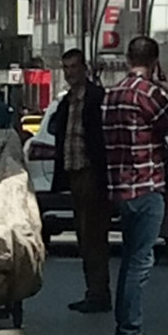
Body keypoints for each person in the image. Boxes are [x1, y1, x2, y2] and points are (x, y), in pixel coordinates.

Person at [102, 37, 168, 335]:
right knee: (141, 259)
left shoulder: (112, 95)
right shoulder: (150, 93)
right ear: (155, 63)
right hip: (147, 184)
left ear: (127, 57)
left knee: (129, 257)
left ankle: (123, 325)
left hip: (120, 187)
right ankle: (130, 331)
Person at [50, 49, 110, 313]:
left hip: (91, 173)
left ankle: (98, 294)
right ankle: (93, 291)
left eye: (74, 67)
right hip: (73, 173)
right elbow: (55, 129)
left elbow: (101, 137)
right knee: (84, 236)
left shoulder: (97, 97)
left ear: (84, 68)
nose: (70, 72)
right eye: (66, 68)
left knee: (93, 236)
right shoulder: (67, 101)